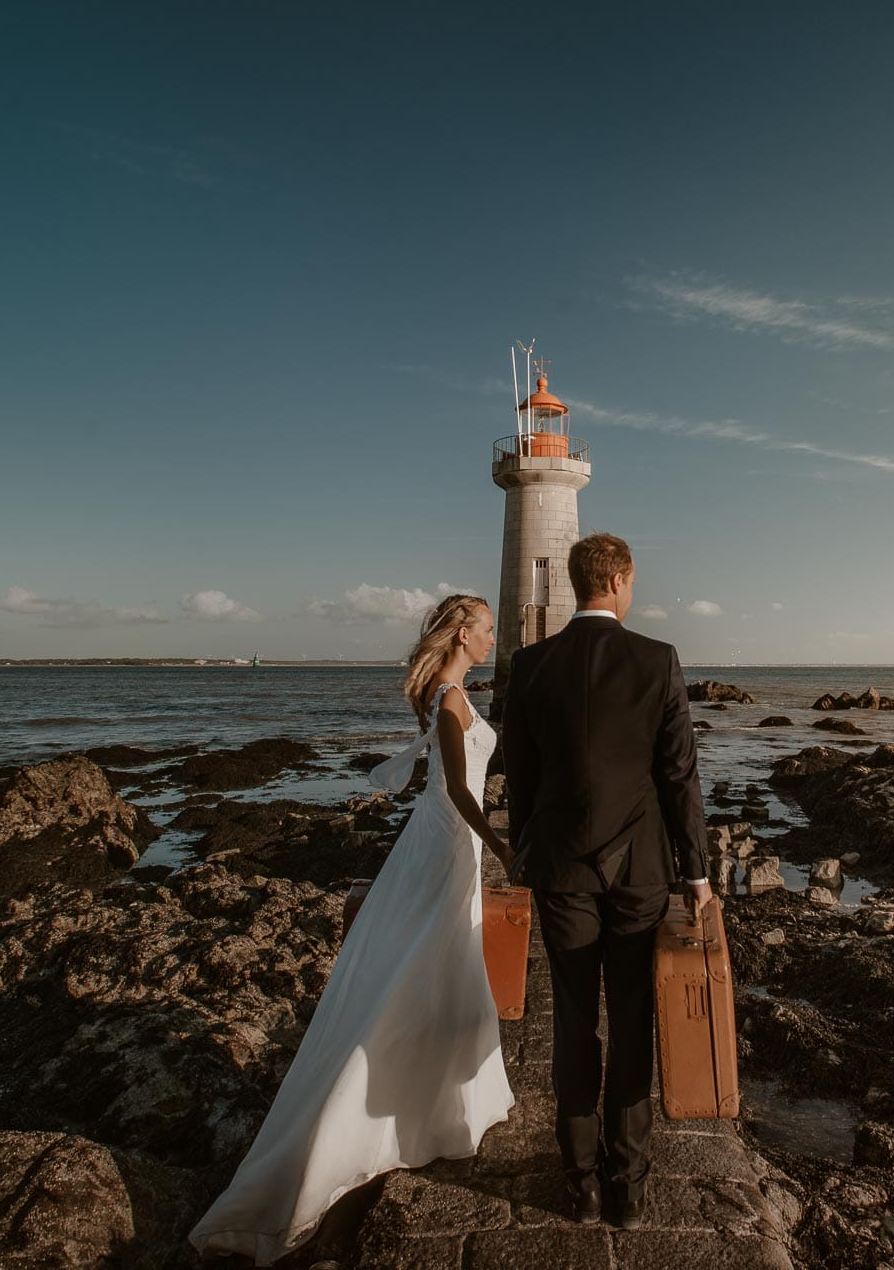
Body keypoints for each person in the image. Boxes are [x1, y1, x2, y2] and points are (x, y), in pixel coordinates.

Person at [189, 594, 517, 1262]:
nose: (493, 636)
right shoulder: (450, 698)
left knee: (434, 965)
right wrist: (502, 846)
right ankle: (392, 1108)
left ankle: (436, 1100)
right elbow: (457, 788)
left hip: (440, 841)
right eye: (486, 628)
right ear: (461, 632)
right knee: (427, 967)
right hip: (449, 842)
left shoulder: (441, 690)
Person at [503, 532, 714, 1229]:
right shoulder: (657, 660)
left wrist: (519, 850)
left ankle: (581, 1186)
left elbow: (521, 774)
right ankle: (628, 1188)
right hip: (641, 870)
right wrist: (698, 869)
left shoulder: (531, 663)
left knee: (571, 1019)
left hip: (561, 866)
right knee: (631, 1019)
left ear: (573, 582)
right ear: (621, 581)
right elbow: (679, 773)